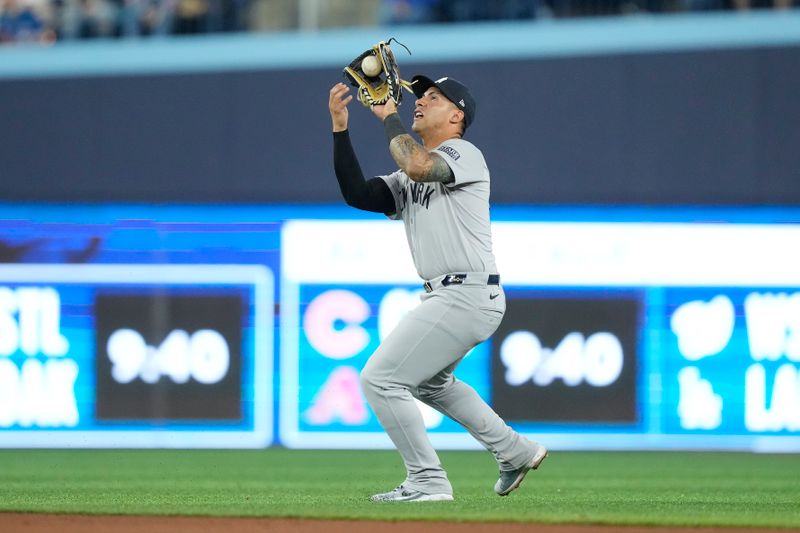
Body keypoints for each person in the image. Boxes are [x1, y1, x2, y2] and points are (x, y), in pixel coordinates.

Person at [327, 75, 548, 502]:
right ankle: (514, 451)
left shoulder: (463, 154)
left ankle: (428, 480)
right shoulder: (409, 176)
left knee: (380, 379)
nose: (420, 101)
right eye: (420, 96)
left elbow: (418, 165)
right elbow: (357, 193)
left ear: (456, 115)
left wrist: (388, 115)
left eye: (433, 97)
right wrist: (340, 128)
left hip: (465, 293)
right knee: (430, 384)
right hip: (452, 295)